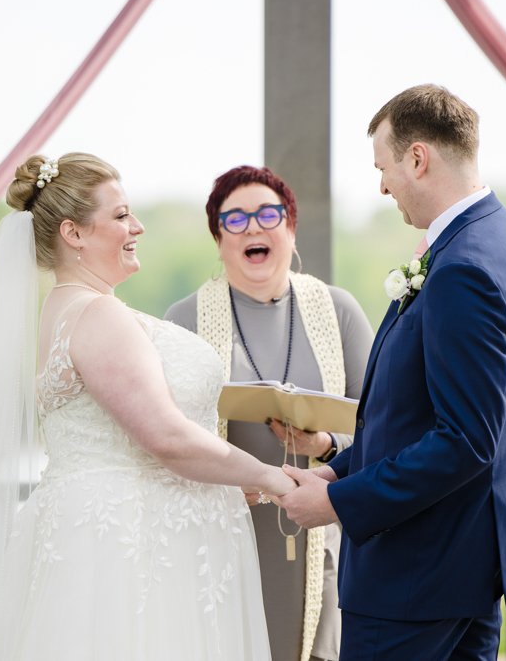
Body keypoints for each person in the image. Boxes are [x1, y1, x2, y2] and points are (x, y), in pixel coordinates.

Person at [0, 153, 294, 660]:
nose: (137, 226)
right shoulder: (98, 315)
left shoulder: (64, 310)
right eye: (121, 215)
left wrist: (226, 484)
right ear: (74, 234)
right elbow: (164, 436)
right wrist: (271, 477)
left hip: (114, 536)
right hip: (130, 552)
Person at [279, 84, 506, 659]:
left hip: (416, 578)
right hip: (458, 569)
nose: (381, 185)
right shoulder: (493, 235)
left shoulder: (462, 267)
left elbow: (466, 439)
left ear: (418, 158)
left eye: (383, 167)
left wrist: (339, 505)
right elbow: (420, 414)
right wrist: (338, 471)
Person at [164, 165, 373, 661]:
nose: (253, 228)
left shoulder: (339, 311)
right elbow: (165, 434)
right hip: (221, 531)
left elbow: (381, 425)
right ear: (218, 239)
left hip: (319, 533)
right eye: (234, 220)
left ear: (291, 229)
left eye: (267, 215)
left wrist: (324, 444)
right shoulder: (183, 320)